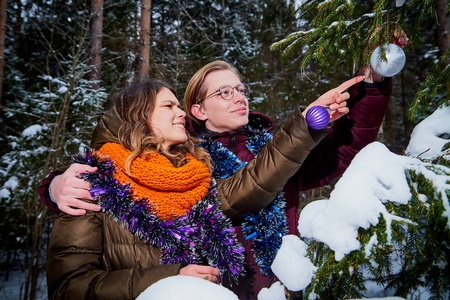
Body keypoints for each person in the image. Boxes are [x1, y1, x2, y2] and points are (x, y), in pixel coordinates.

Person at [40, 52, 401, 298]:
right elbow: (71, 284)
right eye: (224, 92)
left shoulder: (196, 172)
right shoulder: (112, 181)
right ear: (200, 109)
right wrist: (54, 185)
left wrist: (352, 98)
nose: (239, 97)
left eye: (241, 89)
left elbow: (262, 179)